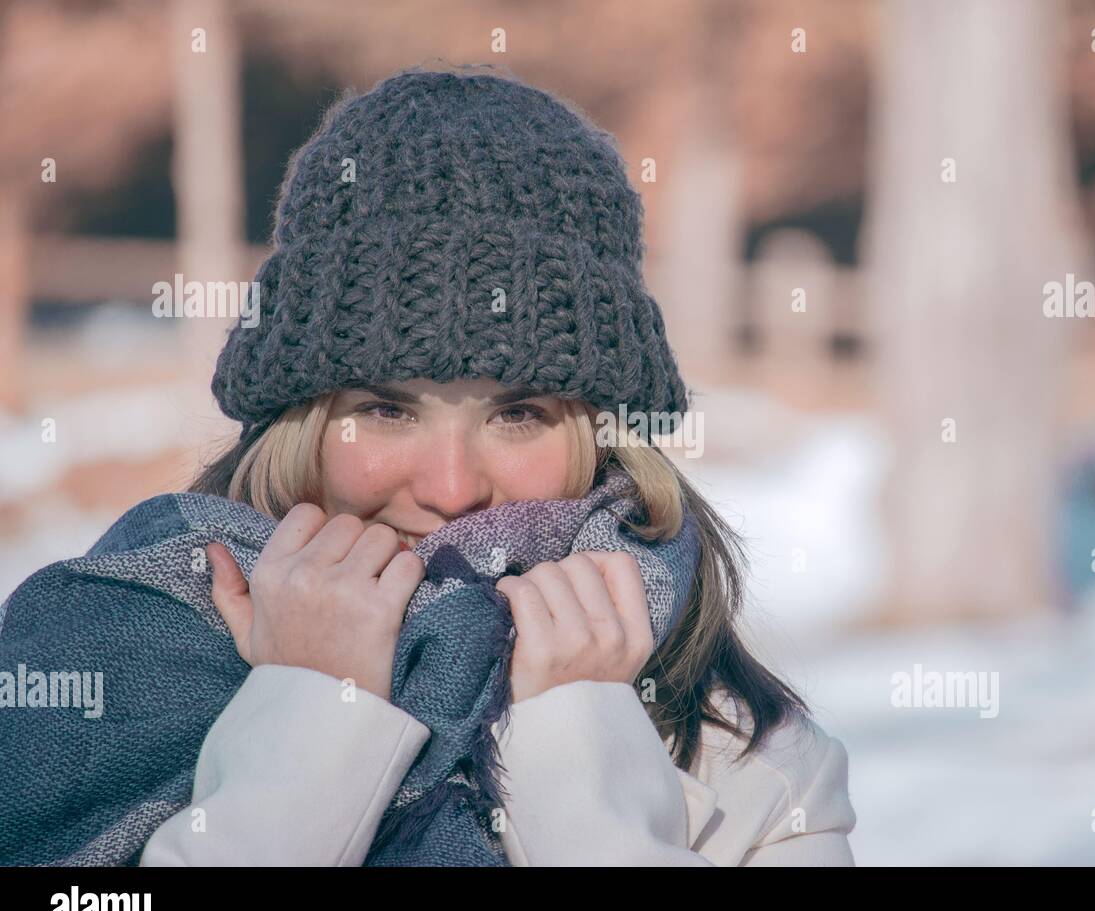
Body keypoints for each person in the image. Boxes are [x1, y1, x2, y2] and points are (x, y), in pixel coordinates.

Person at [137, 65, 857, 866]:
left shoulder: (766, 775)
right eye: (387, 410)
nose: (451, 490)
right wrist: (311, 713)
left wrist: (579, 743)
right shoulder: (116, 665)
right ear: (298, 428)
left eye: (519, 414)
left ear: (606, 438)